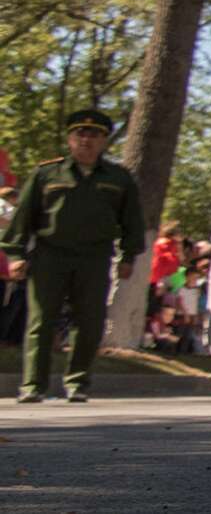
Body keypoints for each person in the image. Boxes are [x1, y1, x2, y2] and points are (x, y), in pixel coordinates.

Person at [3, 110, 145, 403]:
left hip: (94, 258)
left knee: (89, 321)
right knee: (41, 322)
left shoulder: (119, 178)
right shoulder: (46, 174)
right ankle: (33, 385)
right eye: (80, 134)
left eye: (94, 135)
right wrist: (16, 254)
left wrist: (129, 255)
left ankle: (77, 382)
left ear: (104, 141)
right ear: (70, 139)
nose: (86, 141)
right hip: (49, 255)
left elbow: (132, 220)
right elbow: (23, 217)